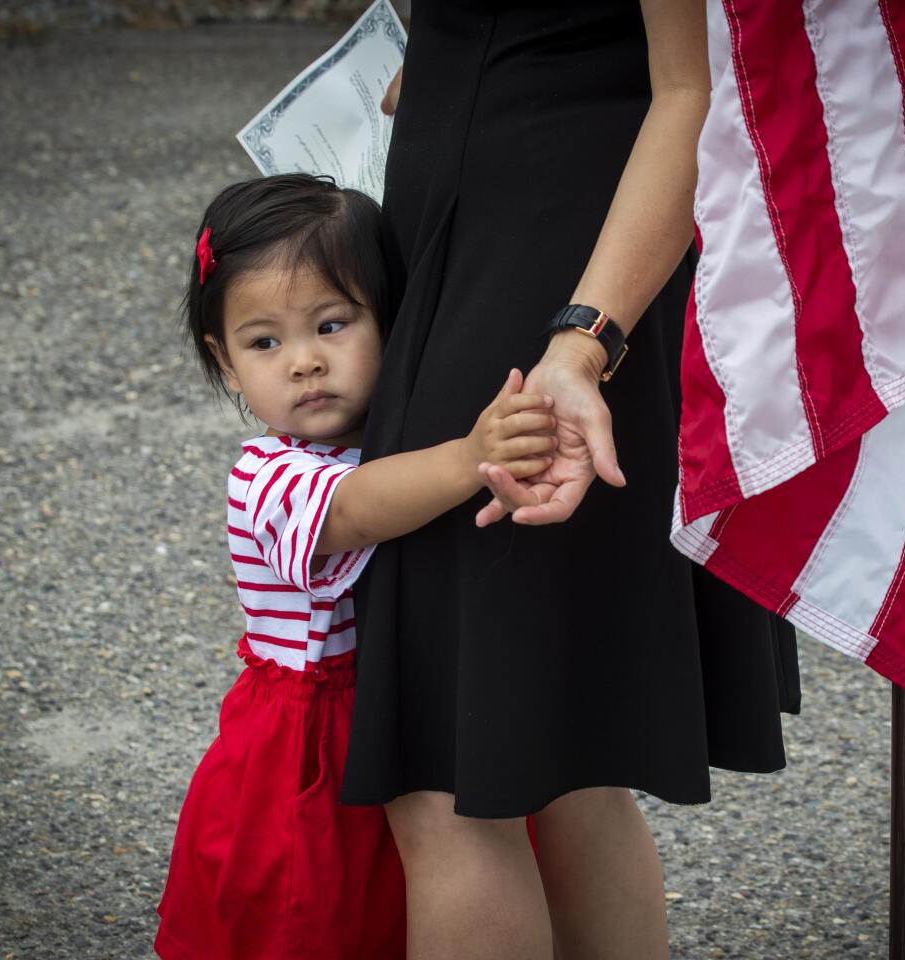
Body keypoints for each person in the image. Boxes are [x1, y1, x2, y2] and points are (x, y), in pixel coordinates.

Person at [341, 2, 802, 958]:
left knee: (450, 764)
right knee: (561, 750)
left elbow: (698, 82)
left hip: (570, 252)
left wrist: (584, 340)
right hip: (466, 195)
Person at [154, 173, 558, 960]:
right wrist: (471, 456)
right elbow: (353, 509)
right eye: (264, 341)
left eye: (332, 325)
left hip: (394, 712)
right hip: (309, 746)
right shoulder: (265, 474)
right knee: (311, 915)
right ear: (224, 361)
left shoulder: (395, 431)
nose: (304, 362)